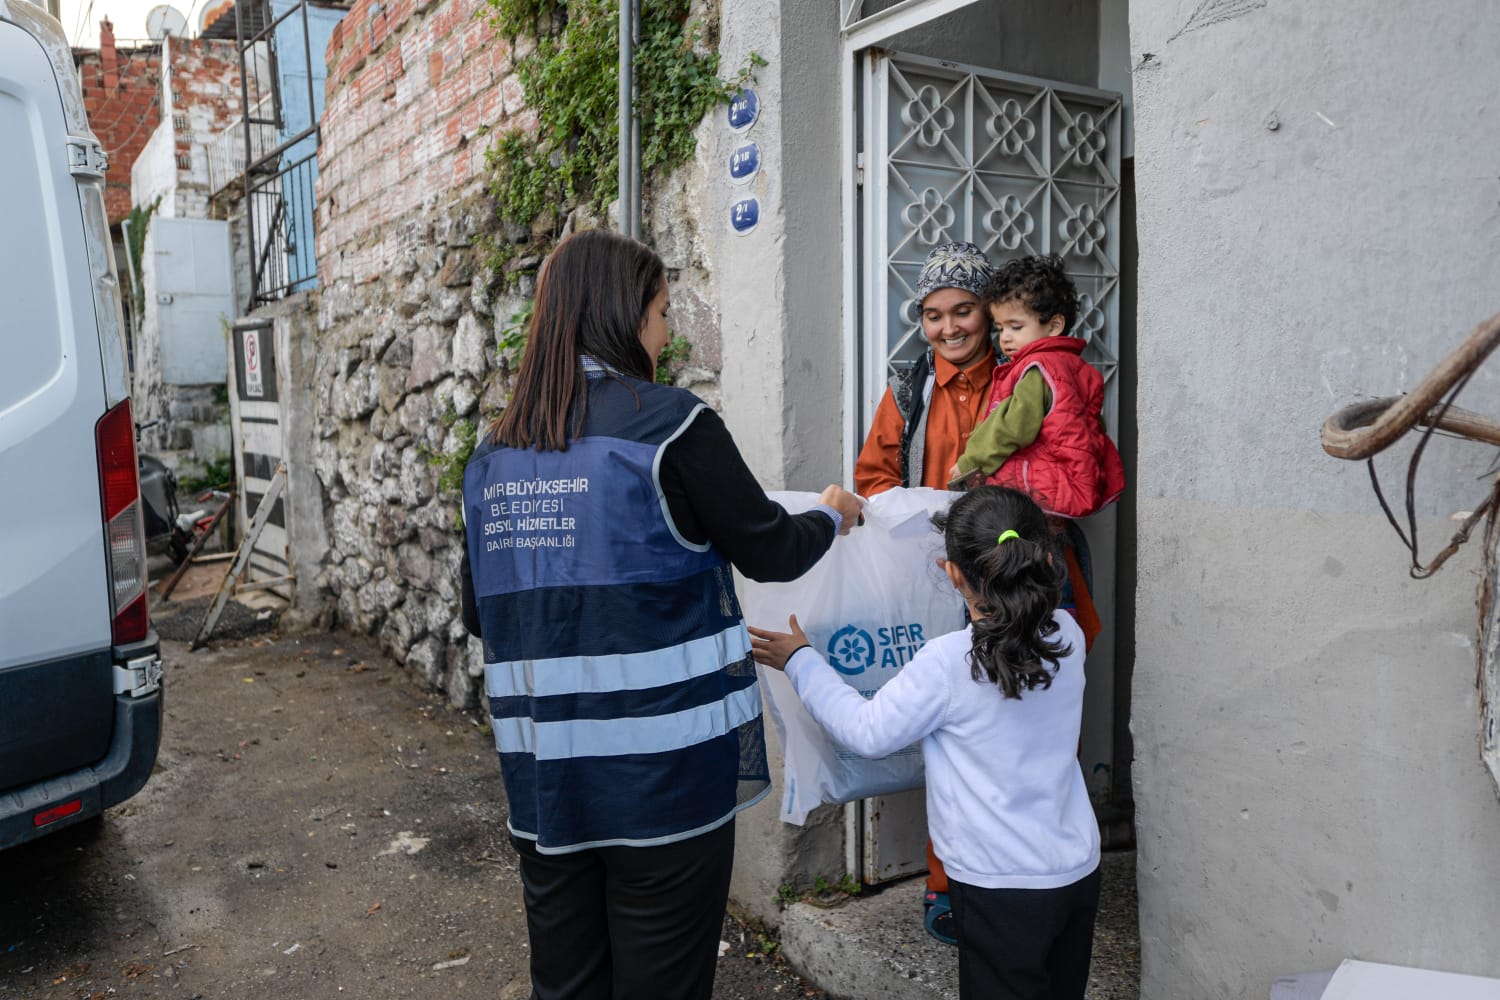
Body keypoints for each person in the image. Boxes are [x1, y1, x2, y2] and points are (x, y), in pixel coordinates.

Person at [459, 228, 862, 1000]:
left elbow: (484, 616)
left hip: (545, 780)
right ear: (626, 315)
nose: (668, 332)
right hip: (665, 785)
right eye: (664, 312)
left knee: (568, 986)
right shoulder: (672, 425)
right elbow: (770, 548)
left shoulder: (492, 457)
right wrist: (833, 515)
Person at [748, 487, 1101, 1000]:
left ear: (951, 572)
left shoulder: (949, 663)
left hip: (997, 887)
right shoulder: (1068, 635)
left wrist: (802, 661)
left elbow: (867, 732)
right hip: (1075, 870)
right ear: (1046, 558)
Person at [947, 253, 1125, 521]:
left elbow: (1012, 426)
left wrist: (971, 463)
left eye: (1016, 327)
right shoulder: (1075, 367)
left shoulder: (1037, 368)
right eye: (1000, 328)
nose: (1005, 338)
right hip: (1070, 483)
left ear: (1054, 325)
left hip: (1037, 488)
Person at [854, 241, 998, 496]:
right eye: (934, 317)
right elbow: (875, 478)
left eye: (963, 312)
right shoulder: (906, 393)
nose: (950, 328)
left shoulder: (1020, 383)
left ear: (989, 312)